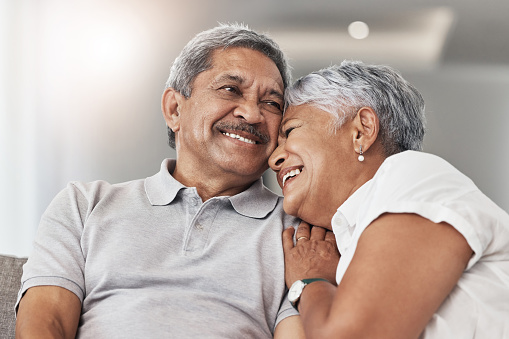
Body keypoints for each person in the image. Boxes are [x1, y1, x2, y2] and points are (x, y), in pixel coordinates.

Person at [15, 23, 306, 338]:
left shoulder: (298, 227)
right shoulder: (84, 205)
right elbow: (45, 325)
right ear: (174, 109)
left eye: (272, 103)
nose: (252, 114)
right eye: (230, 89)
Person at [269, 60, 509, 338]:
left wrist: (311, 280)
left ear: (362, 130)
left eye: (290, 132)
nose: (274, 158)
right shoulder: (351, 237)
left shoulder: (413, 175)